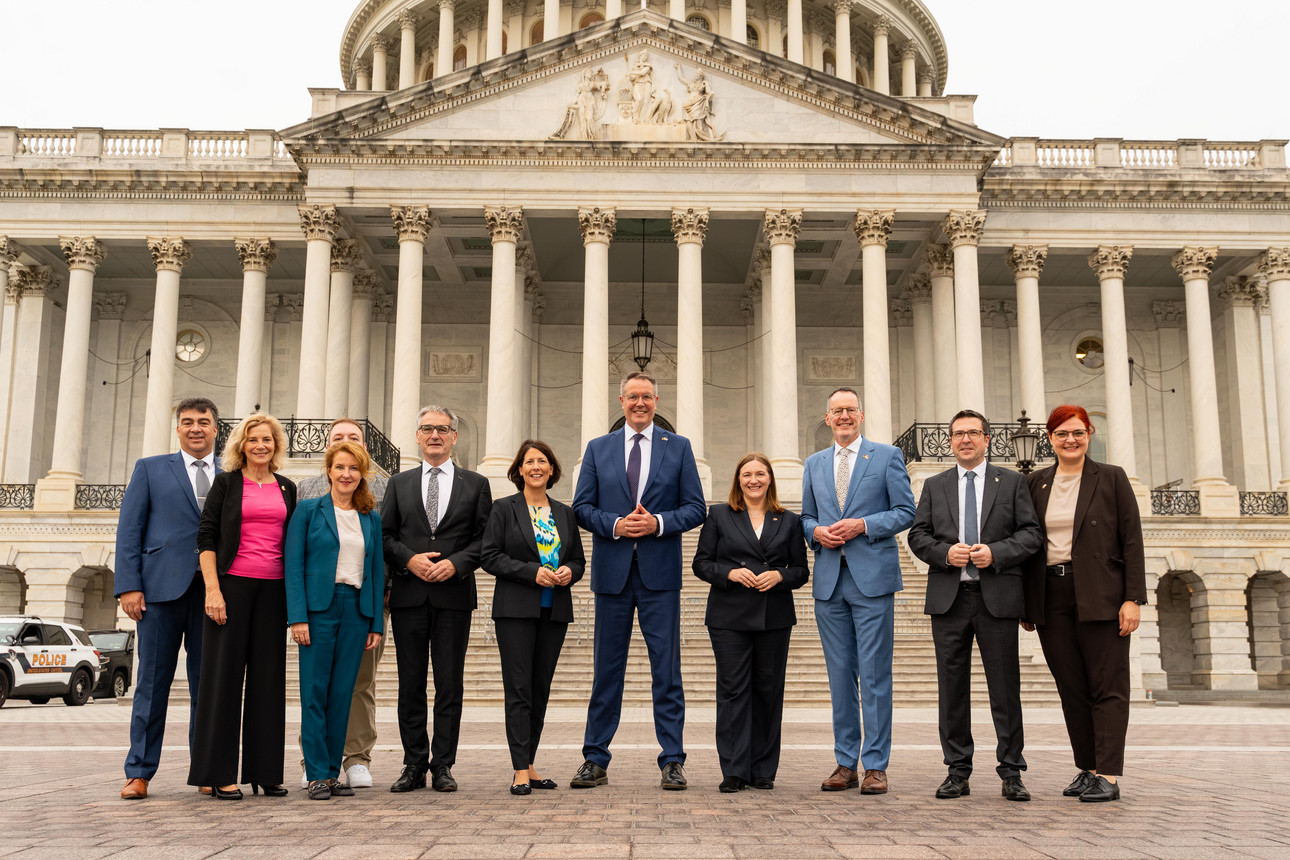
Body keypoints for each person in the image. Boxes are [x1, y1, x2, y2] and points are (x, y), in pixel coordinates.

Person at [570, 371, 706, 791]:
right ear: (622, 401)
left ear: (656, 401)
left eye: (647, 396)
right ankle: (595, 758)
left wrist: (657, 523)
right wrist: (616, 525)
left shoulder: (678, 447)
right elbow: (581, 507)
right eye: (633, 397)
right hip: (612, 576)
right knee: (606, 672)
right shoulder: (598, 448)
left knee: (667, 672)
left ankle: (672, 759)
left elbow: (696, 508)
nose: (640, 403)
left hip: (659, 576)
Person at [907, 410, 1043, 802]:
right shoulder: (935, 485)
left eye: (972, 433)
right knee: (952, 689)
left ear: (987, 439)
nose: (965, 439)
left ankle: (1011, 771)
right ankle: (957, 770)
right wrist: (945, 553)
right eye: (958, 434)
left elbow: (1031, 533)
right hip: (949, 599)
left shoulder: (1012, 482)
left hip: (997, 597)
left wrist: (996, 552)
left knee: (1005, 689)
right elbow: (918, 535)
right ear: (950, 441)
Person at [1021, 405, 1146, 803]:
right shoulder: (1036, 483)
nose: (1070, 440)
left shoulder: (1111, 477)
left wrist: (1132, 598)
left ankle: (1108, 773)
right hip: (1051, 594)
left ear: (1089, 434)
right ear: (1050, 439)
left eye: (1077, 432)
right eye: (1061, 434)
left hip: (1101, 593)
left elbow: (1132, 539)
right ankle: (1088, 768)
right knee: (1072, 686)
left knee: (1108, 685)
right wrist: (1027, 603)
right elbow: (1027, 543)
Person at [801, 387, 915, 795]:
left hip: (872, 580)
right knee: (839, 676)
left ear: (861, 416)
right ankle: (846, 762)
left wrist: (864, 525)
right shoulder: (814, 463)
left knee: (875, 674)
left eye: (851, 409)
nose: (844, 416)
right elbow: (806, 516)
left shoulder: (886, 456)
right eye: (837, 411)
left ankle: (876, 765)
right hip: (830, 581)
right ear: (827, 418)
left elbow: (906, 511)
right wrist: (815, 532)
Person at [382, 405, 492, 793]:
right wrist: (409, 559)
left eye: (442, 429)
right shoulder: (399, 483)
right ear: (417, 436)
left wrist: (457, 564)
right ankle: (414, 763)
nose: (435, 435)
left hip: (453, 596)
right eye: (427, 428)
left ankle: (443, 763)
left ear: (454, 437)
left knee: (449, 684)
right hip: (409, 596)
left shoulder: (476, 484)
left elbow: (485, 539)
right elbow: (385, 535)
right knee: (410, 683)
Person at [114, 397, 219, 800]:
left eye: (203, 422)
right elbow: (130, 529)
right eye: (188, 421)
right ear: (177, 429)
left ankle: (207, 768)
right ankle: (139, 772)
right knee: (152, 683)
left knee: (207, 686)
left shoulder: (231, 475)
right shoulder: (151, 468)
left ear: (215, 429)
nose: (196, 428)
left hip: (213, 593)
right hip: (158, 592)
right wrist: (129, 585)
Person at [188, 413, 297, 800]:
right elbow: (206, 537)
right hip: (231, 588)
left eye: (267, 439)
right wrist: (212, 591)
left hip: (273, 592)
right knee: (222, 682)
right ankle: (218, 774)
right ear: (241, 445)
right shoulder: (227, 483)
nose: (260, 446)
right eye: (253, 440)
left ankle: (265, 772)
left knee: (269, 683)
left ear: (276, 445)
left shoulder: (287, 487)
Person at [692, 452, 809, 793]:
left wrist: (779, 575)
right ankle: (734, 769)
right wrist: (729, 573)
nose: (753, 480)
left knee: (768, 692)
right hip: (729, 616)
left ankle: (762, 769)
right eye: (747, 474)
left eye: (760, 474)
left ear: (770, 479)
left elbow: (801, 571)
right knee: (733, 692)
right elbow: (701, 563)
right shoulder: (719, 515)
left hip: (774, 615)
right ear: (738, 480)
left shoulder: (789, 520)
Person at [480, 440, 586, 795]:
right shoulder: (504, 509)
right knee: (519, 689)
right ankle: (519, 769)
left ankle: (529, 762)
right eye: (529, 462)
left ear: (552, 470)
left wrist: (570, 572)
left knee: (540, 690)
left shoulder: (565, 513)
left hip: (554, 610)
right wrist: (531, 572)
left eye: (543, 461)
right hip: (515, 611)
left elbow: (578, 560)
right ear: (520, 470)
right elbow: (490, 556)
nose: (536, 467)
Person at [286, 441, 384, 800]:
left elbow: (376, 571)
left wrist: (375, 623)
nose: (346, 474)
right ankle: (315, 773)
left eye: (354, 468)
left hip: (356, 610)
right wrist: (297, 618)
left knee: (343, 694)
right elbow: (293, 565)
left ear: (362, 474)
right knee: (315, 692)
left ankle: (331, 773)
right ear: (329, 471)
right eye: (340, 467)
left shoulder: (370, 518)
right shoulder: (308, 511)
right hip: (318, 611)